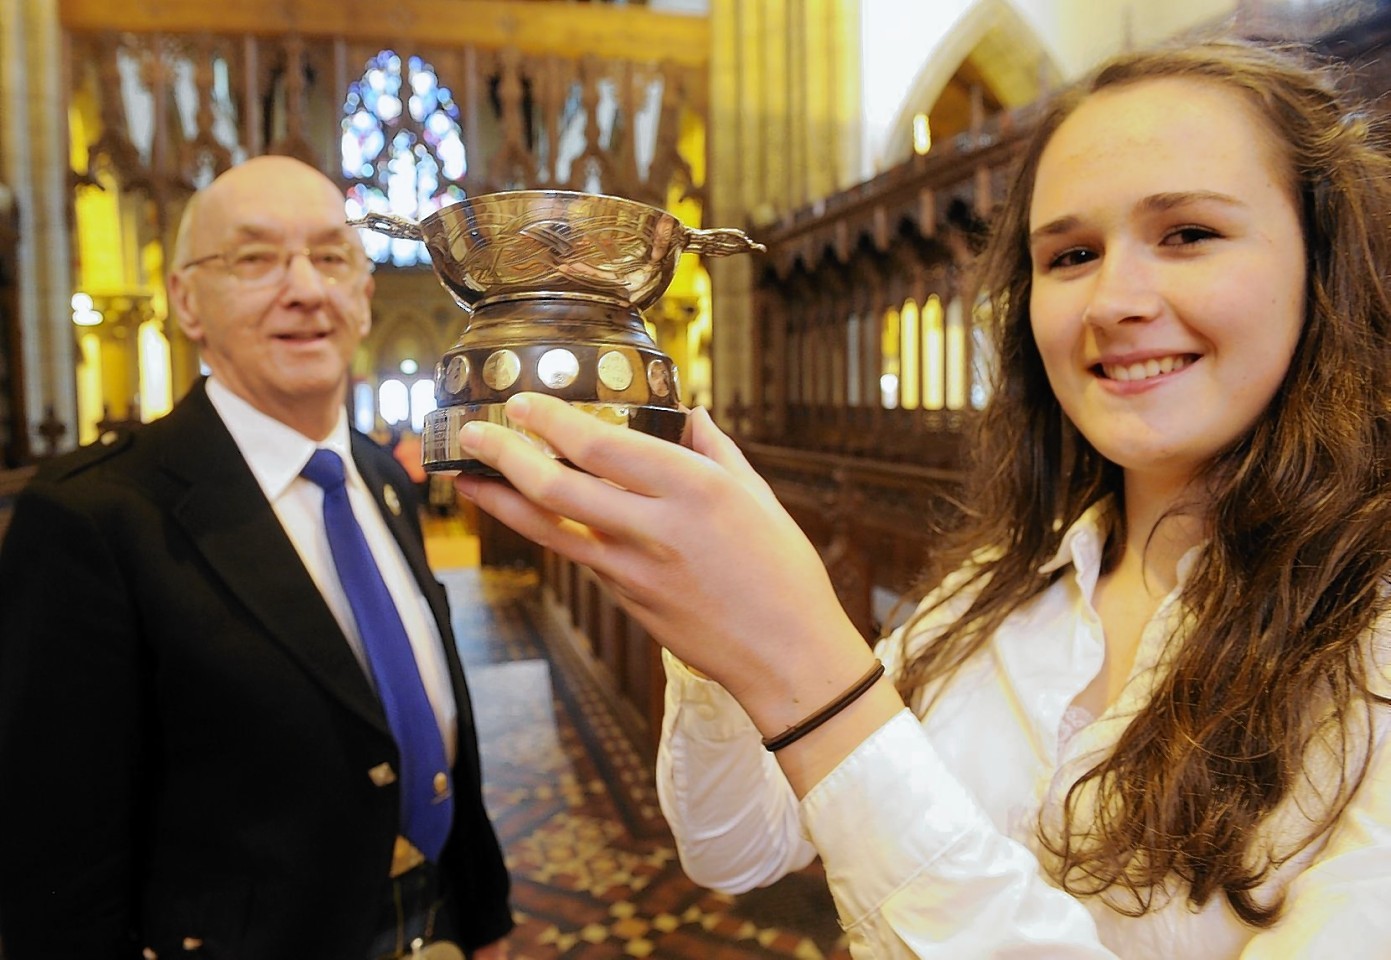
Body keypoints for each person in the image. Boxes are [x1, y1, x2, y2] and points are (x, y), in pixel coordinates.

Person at [444, 39, 1391, 959]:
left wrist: (816, 682)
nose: (1114, 300)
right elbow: (740, 848)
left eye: (1187, 234)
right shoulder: (998, 590)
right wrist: (708, 630)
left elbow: (831, 739)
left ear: (1324, 265)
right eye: (1068, 256)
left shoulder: (1369, 638)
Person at [0, 156, 513, 959]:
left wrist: (478, 919)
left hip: (432, 918)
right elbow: (57, 865)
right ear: (185, 301)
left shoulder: (379, 477)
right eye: (255, 259)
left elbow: (425, 714)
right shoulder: (93, 518)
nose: (305, 289)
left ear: (365, 291)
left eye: (331, 256)